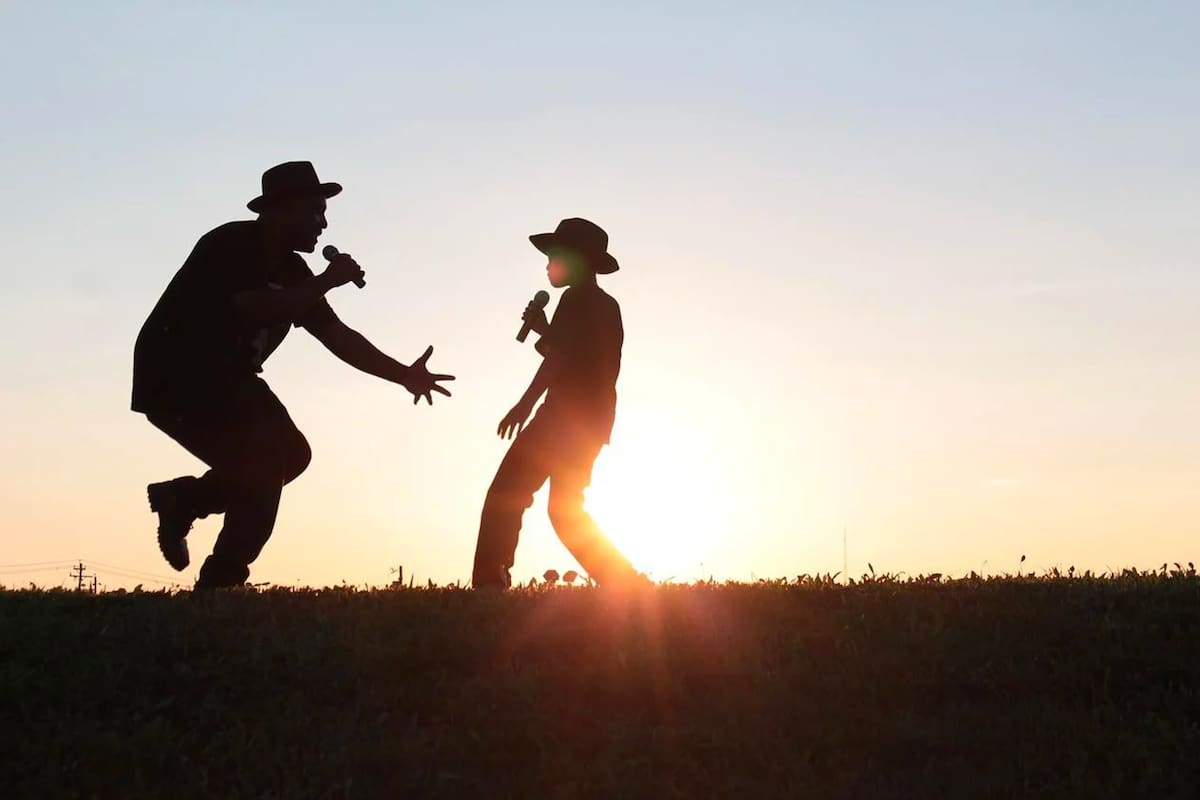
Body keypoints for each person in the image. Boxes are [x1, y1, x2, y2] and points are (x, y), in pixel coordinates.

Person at [132, 161, 454, 588]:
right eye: (315, 211)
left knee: (292, 456)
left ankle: (184, 499)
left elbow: (337, 336)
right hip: (177, 376)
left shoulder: (294, 272)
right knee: (264, 464)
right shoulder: (230, 243)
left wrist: (403, 375)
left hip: (230, 380)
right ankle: (221, 583)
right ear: (280, 209)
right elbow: (253, 306)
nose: (323, 224)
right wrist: (326, 281)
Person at [472, 217, 639, 588]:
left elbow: (559, 361)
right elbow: (578, 356)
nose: (548, 263)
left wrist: (524, 405)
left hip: (562, 419)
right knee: (564, 509)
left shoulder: (576, 299)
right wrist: (544, 330)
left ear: (577, 260)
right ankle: (625, 582)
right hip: (592, 422)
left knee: (506, 494)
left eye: (555, 255)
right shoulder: (602, 304)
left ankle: (488, 584)